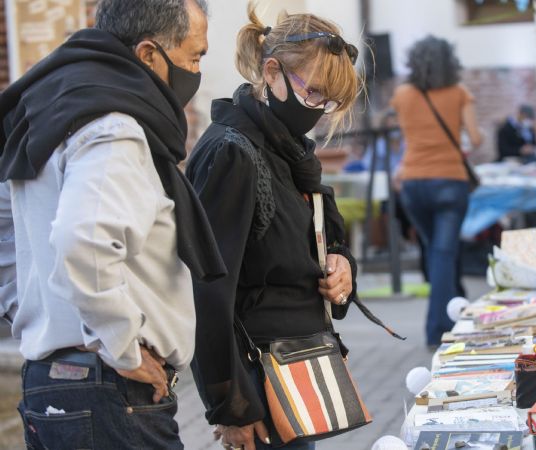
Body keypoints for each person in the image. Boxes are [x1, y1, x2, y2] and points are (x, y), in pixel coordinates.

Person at [0, 0, 222, 448]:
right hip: (110, 390)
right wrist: (120, 345)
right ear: (147, 55)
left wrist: (28, 312)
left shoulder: (49, 107)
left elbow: (7, 227)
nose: (196, 71)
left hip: (53, 380)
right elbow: (83, 240)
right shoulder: (114, 126)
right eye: (194, 56)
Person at [188, 8, 396, 450]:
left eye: (329, 101)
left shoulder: (291, 152)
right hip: (259, 385)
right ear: (271, 72)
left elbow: (319, 240)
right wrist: (230, 406)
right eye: (315, 92)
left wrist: (343, 267)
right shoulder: (233, 153)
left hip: (299, 370)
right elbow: (207, 290)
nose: (320, 110)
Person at [391, 36, 483, 347]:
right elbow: (476, 138)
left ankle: (458, 305)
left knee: (437, 253)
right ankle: (439, 329)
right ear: (450, 61)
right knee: (443, 254)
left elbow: (407, 135)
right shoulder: (459, 93)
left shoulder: (402, 94)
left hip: (413, 185)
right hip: (449, 182)